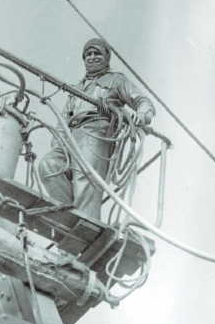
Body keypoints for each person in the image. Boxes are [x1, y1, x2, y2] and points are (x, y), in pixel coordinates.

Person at [38, 38, 155, 221]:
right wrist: (58, 144)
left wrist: (142, 114)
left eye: (97, 53)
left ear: (107, 57)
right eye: (88, 54)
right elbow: (63, 121)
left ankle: (87, 224)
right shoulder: (76, 88)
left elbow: (144, 102)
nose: (92, 57)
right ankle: (70, 218)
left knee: (85, 178)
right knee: (49, 166)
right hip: (70, 136)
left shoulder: (117, 80)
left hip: (95, 131)